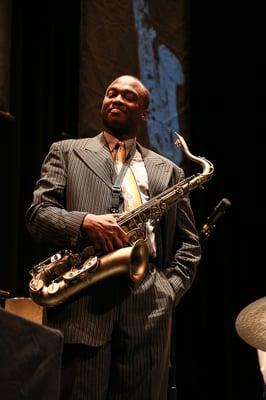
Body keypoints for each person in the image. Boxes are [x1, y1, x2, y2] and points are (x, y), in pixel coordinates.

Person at [25, 75, 201, 400]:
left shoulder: (169, 172)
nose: (116, 99)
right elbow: (38, 215)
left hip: (148, 309)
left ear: (144, 113)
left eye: (128, 96)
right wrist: (85, 223)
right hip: (83, 305)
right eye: (111, 93)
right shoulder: (66, 152)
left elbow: (188, 244)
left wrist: (167, 292)